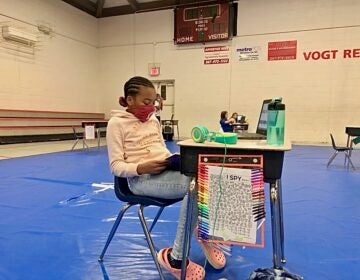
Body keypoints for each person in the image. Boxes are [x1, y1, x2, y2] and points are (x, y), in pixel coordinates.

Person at [107, 76, 226, 280]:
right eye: (146, 102)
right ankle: (176, 258)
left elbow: (161, 148)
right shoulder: (116, 124)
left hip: (164, 171)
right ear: (129, 100)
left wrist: (174, 161)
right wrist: (140, 167)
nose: (151, 106)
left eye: (154, 102)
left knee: (211, 176)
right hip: (140, 181)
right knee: (195, 187)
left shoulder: (153, 119)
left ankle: (203, 232)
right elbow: (116, 166)